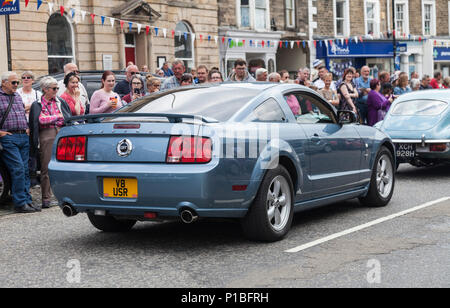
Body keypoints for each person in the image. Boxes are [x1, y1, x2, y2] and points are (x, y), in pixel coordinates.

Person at [29, 76, 71, 209]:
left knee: (65, 165)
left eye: (57, 88)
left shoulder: (60, 101)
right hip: (46, 135)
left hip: (61, 133)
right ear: (45, 89)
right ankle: (46, 199)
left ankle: (66, 197)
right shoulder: (37, 104)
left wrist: (53, 118)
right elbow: (41, 121)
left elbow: (66, 117)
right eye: (54, 88)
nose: (56, 90)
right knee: (46, 168)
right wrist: (57, 117)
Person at [0, 71, 35, 213]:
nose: (16, 85)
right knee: (18, 169)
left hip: (23, 136)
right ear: (4, 83)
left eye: (17, 82)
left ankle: (27, 201)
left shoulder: (17, 96)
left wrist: (27, 128)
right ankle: (20, 203)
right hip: (9, 138)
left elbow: (21, 112)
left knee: (26, 171)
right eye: (13, 82)